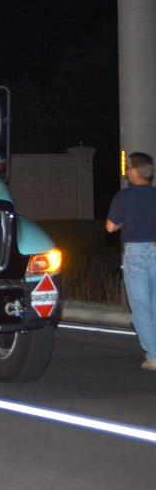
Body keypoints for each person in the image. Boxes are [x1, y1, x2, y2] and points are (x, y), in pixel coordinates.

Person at [106, 151, 156, 371]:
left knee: (141, 307)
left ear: (135, 172)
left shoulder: (124, 197)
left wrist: (125, 221)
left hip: (136, 253)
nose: (126, 171)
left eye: (128, 168)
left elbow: (110, 227)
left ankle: (154, 355)